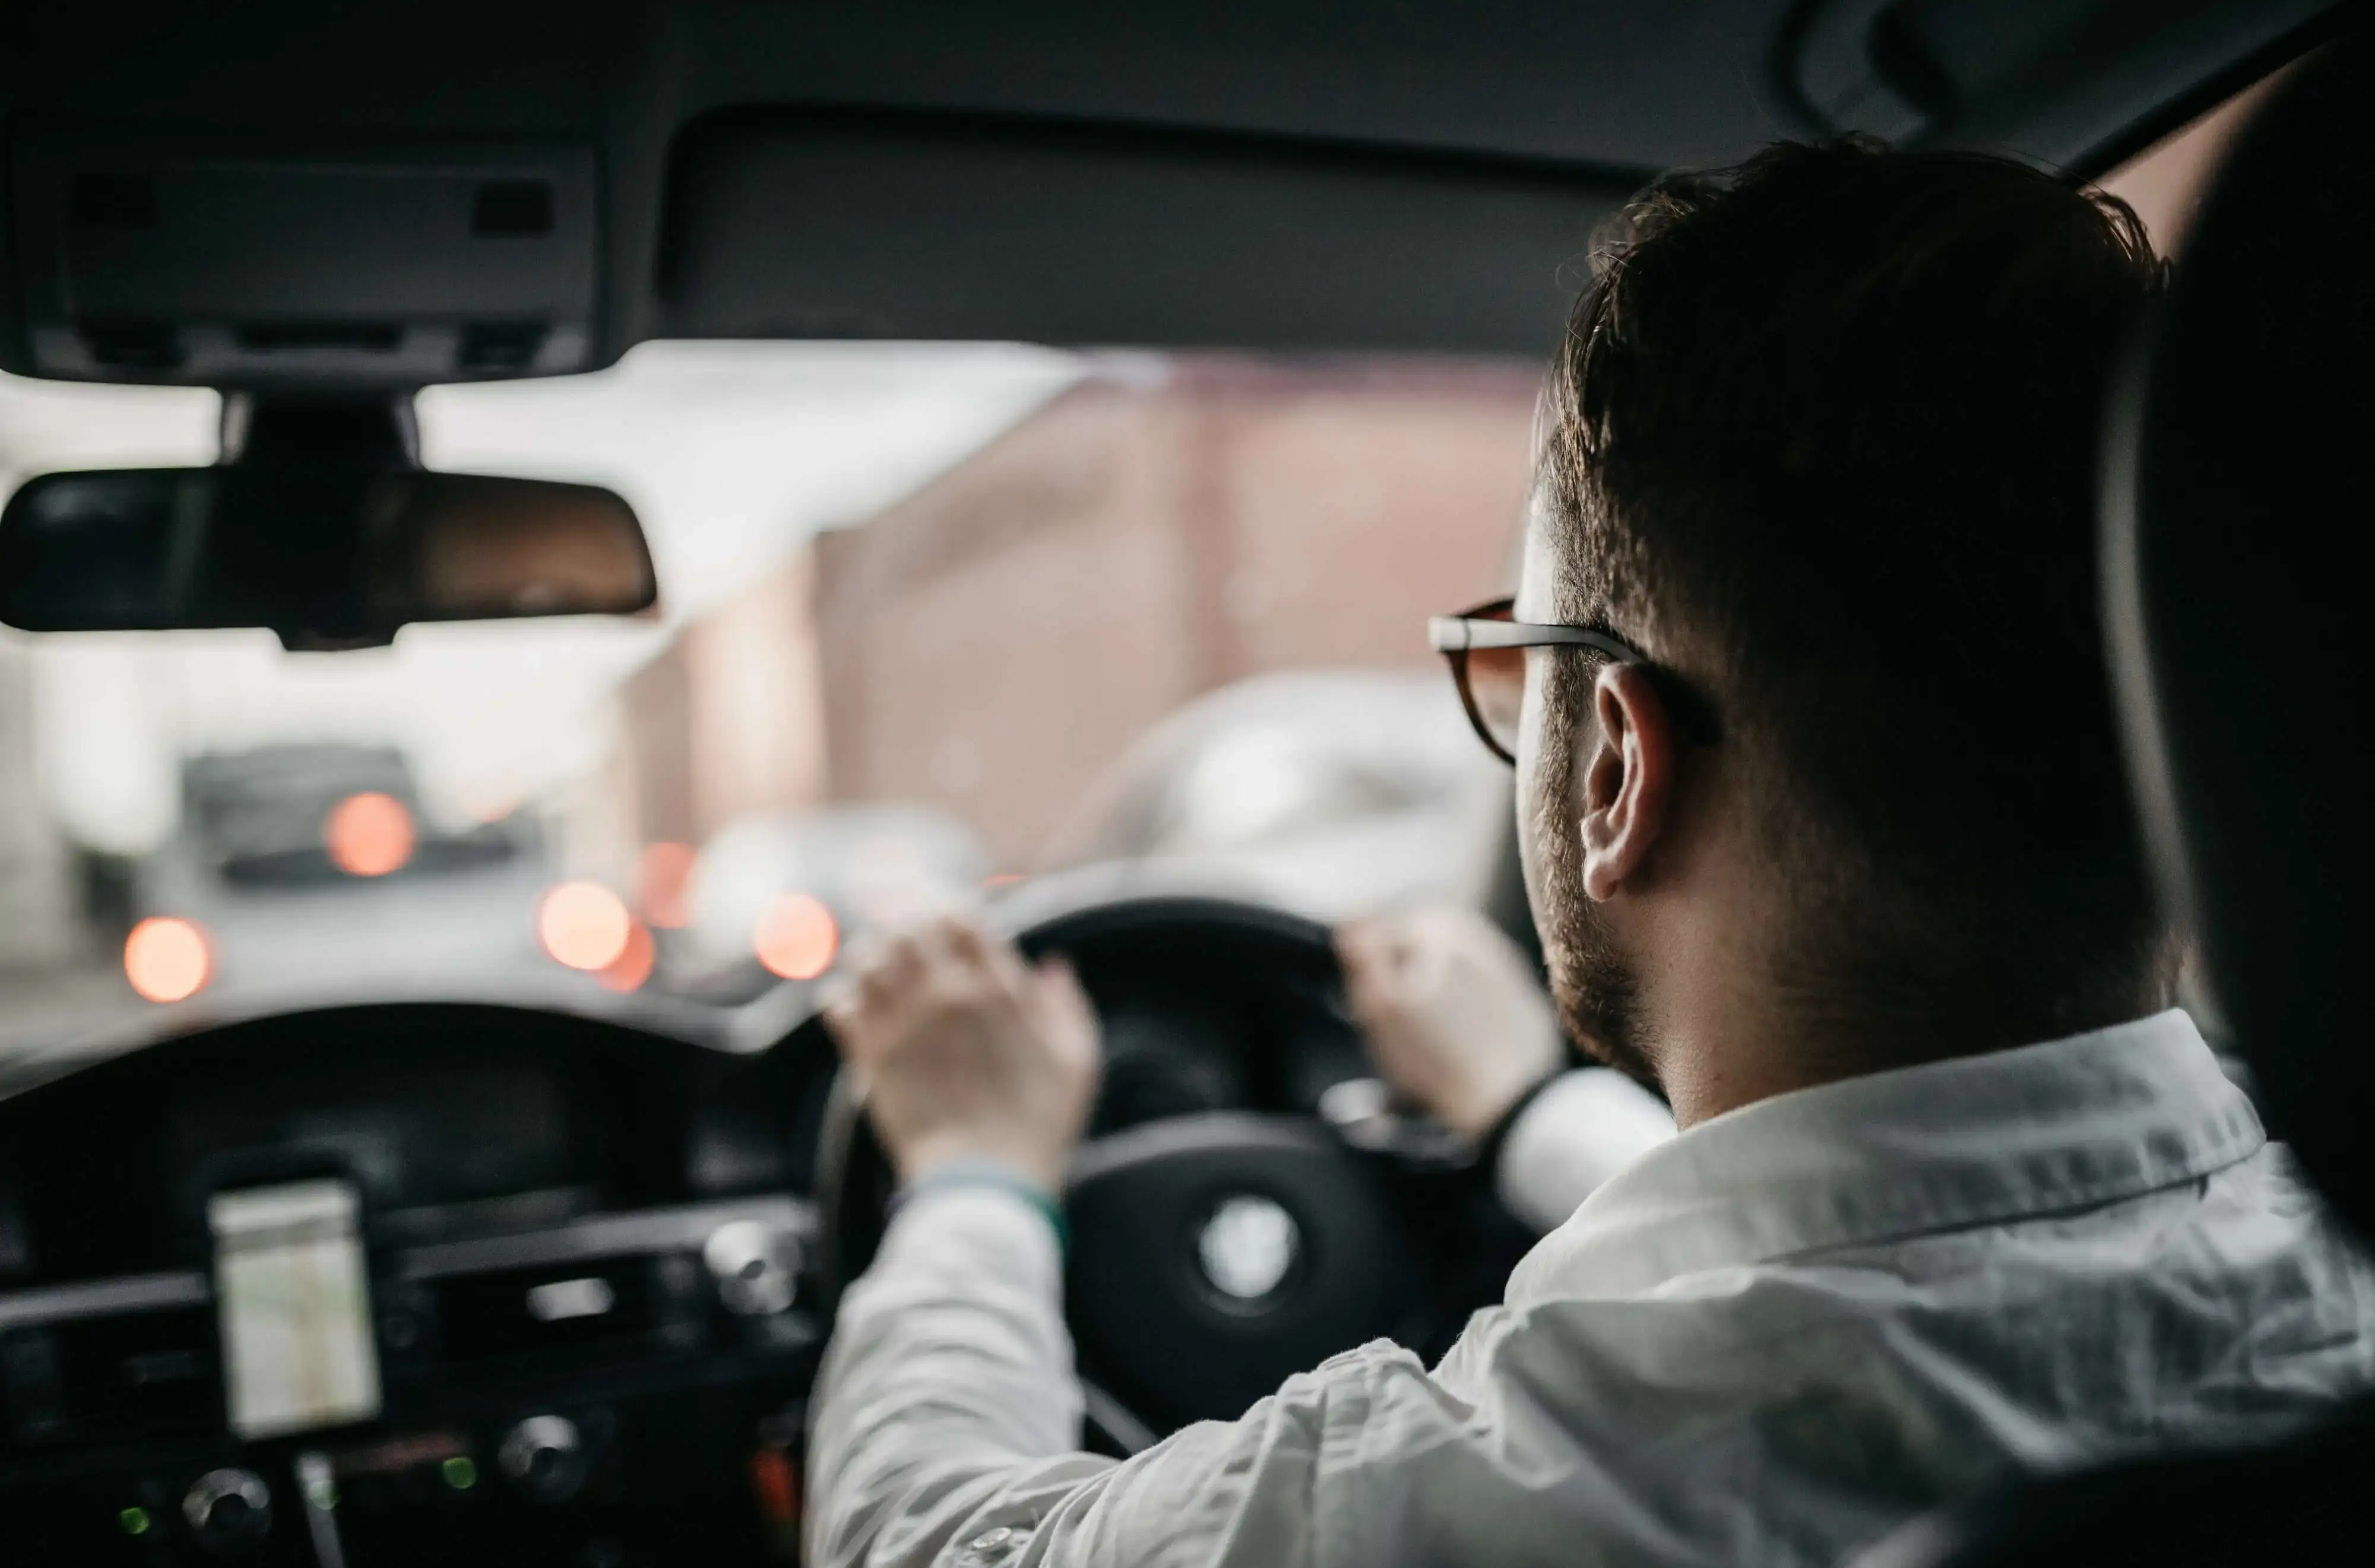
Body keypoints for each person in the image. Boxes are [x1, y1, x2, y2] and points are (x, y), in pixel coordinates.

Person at [806, 141, 2375, 1568]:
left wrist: (974, 1176)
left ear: (1616, 763)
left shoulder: (1495, 1497)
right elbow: (1910, 1233)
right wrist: (1522, 1119)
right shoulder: (2323, 1277)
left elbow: (925, 1543)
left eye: (1519, 662)